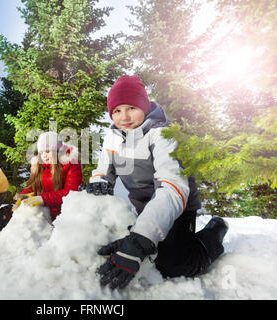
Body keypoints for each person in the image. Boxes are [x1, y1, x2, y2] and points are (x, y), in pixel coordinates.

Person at [79, 75, 229, 290]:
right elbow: (104, 169)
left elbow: (172, 187)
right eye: (117, 111)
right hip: (144, 207)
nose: (124, 117)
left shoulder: (162, 134)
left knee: (171, 263)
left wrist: (141, 238)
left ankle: (215, 231)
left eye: (131, 107)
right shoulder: (113, 137)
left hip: (177, 208)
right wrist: (99, 181)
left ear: (144, 105)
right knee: (122, 242)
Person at [14, 131, 82, 222]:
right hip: (44, 213)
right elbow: (32, 187)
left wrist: (43, 198)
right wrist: (25, 194)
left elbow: (71, 192)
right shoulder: (39, 165)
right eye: (41, 153)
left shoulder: (71, 164)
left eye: (47, 151)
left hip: (65, 216)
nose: (44, 156)